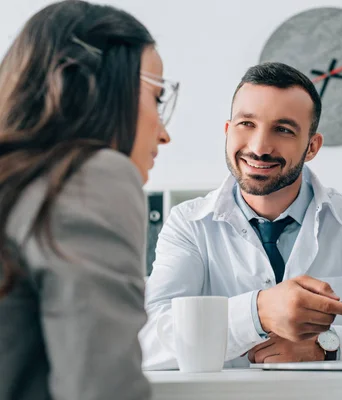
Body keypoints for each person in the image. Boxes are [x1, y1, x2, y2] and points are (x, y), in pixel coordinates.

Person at [141, 62, 342, 370]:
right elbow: (147, 342)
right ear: (228, 131)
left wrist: (328, 347)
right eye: (247, 124)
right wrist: (256, 312)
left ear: (312, 147)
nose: (259, 147)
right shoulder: (188, 225)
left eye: (283, 129)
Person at [0, 0, 177, 398]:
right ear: (94, 87)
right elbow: (100, 389)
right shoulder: (93, 175)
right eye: (157, 98)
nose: (164, 134)